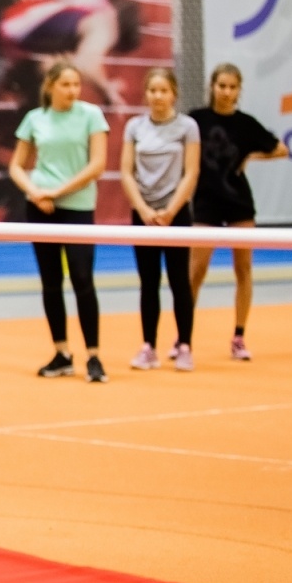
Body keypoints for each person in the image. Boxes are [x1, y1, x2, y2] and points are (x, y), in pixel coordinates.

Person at [9, 60, 109, 383]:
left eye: (76, 85)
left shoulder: (91, 116)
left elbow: (97, 165)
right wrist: (36, 192)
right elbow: (17, 166)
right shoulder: (34, 119)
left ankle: (94, 356)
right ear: (50, 86)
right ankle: (61, 352)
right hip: (41, 208)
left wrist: (57, 191)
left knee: (82, 279)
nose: (72, 91)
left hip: (77, 206)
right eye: (65, 85)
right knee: (51, 281)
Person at [187, 63, 288, 362]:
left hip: (239, 204)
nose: (226, 92)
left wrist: (251, 156)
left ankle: (239, 336)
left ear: (239, 90)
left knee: (243, 269)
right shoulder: (196, 120)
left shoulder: (246, 124)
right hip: (205, 202)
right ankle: (183, 336)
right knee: (196, 271)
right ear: (212, 87)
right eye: (221, 86)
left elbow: (281, 149)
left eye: (232, 87)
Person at [119, 69, 200, 372]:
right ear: (146, 94)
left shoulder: (187, 127)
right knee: (148, 282)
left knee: (180, 282)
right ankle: (148, 347)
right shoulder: (134, 127)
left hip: (175, 215)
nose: (157, 97)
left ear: (173, 93)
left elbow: (191, 172)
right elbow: (126, 171)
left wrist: (170, 210)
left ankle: (185, 346)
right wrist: (142, 209)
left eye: (163, 91)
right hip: (143, 214)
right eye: (152, 91)